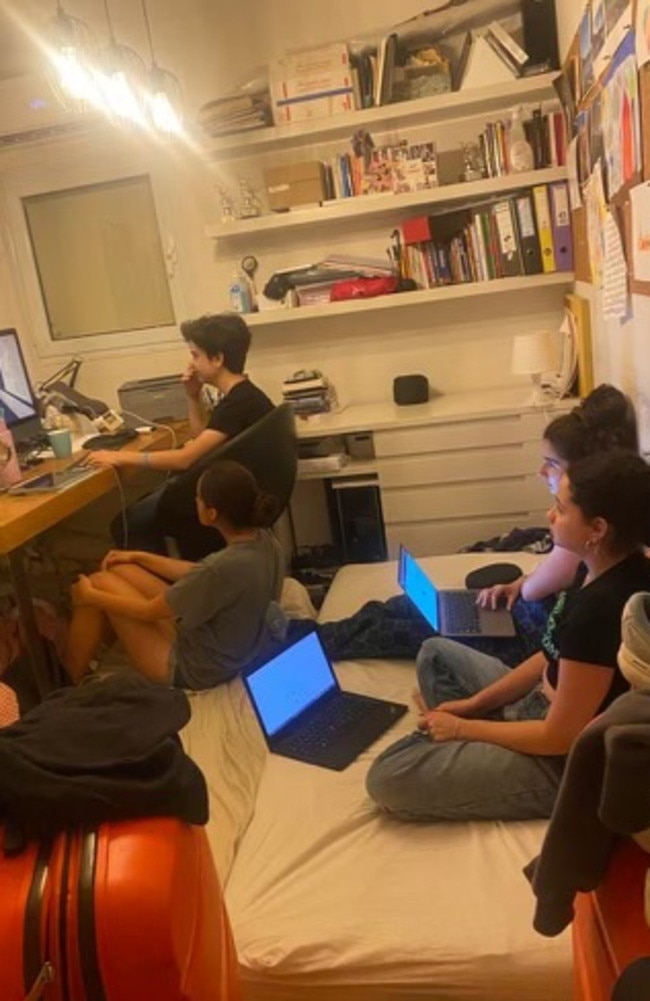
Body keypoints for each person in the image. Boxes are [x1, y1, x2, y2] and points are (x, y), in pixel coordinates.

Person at [365, 449, 650, 823]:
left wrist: (463, 728)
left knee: (387, 777)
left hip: (561, 761)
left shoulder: (602, 608)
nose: (550, 515)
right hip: (542, 707)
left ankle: (486, 749)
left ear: (597, 529)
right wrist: (475, 705)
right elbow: (550, 658)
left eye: (561, 509)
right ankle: (487, 739)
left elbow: (560, 737)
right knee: (434, 652)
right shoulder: (596, 565)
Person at [63, 460, 285, 690]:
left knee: (98, 584)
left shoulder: (221, 567)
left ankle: (70, 681)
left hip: (200, 670)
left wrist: (90, 596)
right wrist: (139, 557)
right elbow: (200, 576)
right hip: (230, 644)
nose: (195, 501)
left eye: (198, 497)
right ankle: (87, 663)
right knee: (119, 569)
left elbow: (150, 611)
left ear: (211, 513)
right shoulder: (263, 539)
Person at [88, 313, 273, 552]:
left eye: (195, 355)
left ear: (217, 358)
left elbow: (185, 459)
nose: (191, 363)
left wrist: (119, 457)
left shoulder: (238, 403)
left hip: (225, 501)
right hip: (233, 494)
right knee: (144, 507)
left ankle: (162, 586)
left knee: (128, 523)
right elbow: (201, 439)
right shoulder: (243, 395)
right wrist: (193, 396)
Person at [477, 384, 638, 616]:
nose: (541, 472)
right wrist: (519, 583)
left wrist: (523, 584)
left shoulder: (583, 532)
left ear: (580, 469)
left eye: (551, 464)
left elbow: (533, 591)